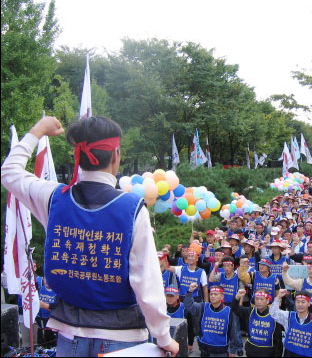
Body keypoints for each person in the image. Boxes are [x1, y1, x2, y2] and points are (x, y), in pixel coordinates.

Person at [1, 116, 179, 356]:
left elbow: (9, 172)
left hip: (68, 338)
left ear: (78, 156)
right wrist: (164, 336)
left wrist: (37, 131)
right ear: (116, 154)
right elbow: (147, 282)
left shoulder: (53, 197)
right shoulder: (132, 208)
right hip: (122, 341)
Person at [184, 283, 239, 357]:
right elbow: (189, 306)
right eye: (211, 294)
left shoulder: (228, 311)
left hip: (221, 351)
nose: (213, 296)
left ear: (222, 296)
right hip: (204, 349)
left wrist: (232, 350)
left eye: (216, 294)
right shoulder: (203, 307)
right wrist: (190, 291)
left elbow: (233, 332)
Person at [270, 289, 312, 357]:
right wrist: (278, 297)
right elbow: (273, 313)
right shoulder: (289, 316)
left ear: (309, 303)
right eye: (298, 302)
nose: (300, 304)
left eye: (303, 302)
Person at [231, 288, 283, 357]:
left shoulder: (274, 316)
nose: (259, 302)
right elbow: (235, 309)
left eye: (262, 299)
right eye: (257, 299)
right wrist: (237, 297)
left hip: (268, 353)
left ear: (267, 301)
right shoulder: (249, 312)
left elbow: (278, 342)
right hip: (251, 352)